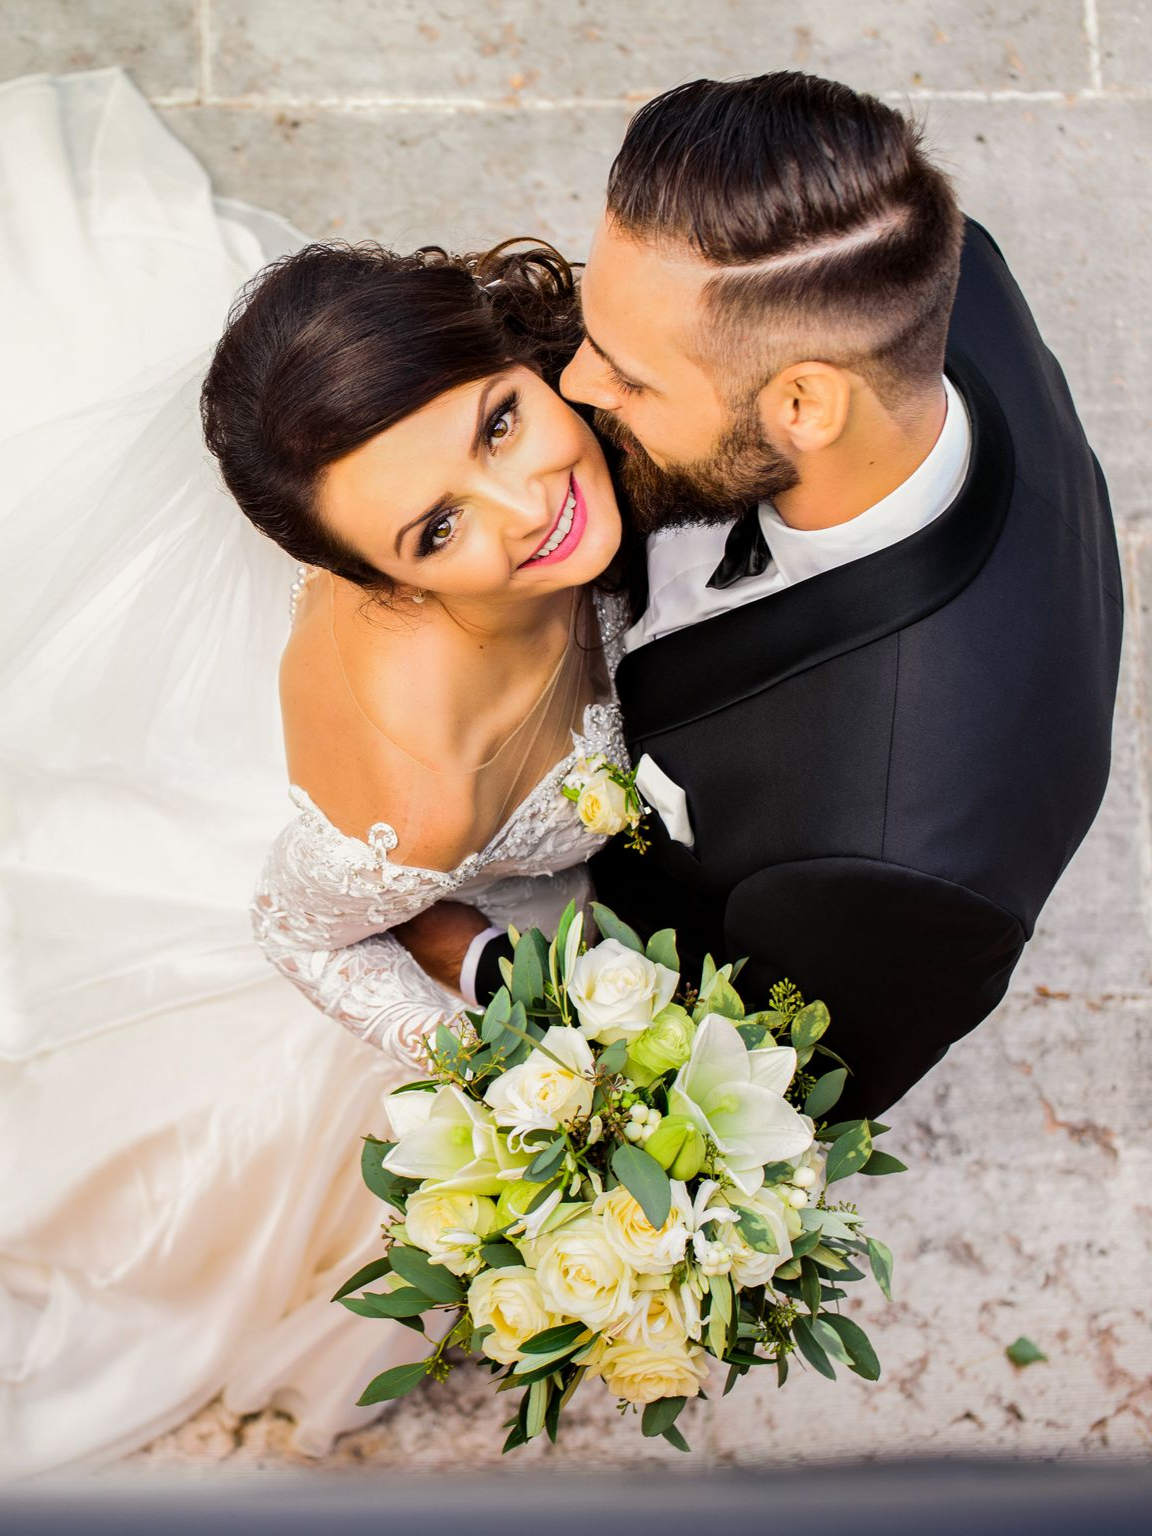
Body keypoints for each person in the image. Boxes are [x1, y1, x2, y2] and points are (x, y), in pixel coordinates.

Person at [0, 67, 627, 1478]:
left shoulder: (566, 441)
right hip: (316, 895)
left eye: (499, 422)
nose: (532, 505)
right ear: (373, 578)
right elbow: (300, 929)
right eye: (436, 531)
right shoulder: (418, 776)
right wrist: (488, 1068)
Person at [420, 72, 1123, 1122]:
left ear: (803, 403)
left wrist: (461, 953)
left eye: (630, 376)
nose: (577, 388)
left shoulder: (896, 862)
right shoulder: (904, 258)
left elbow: (761, 1091)